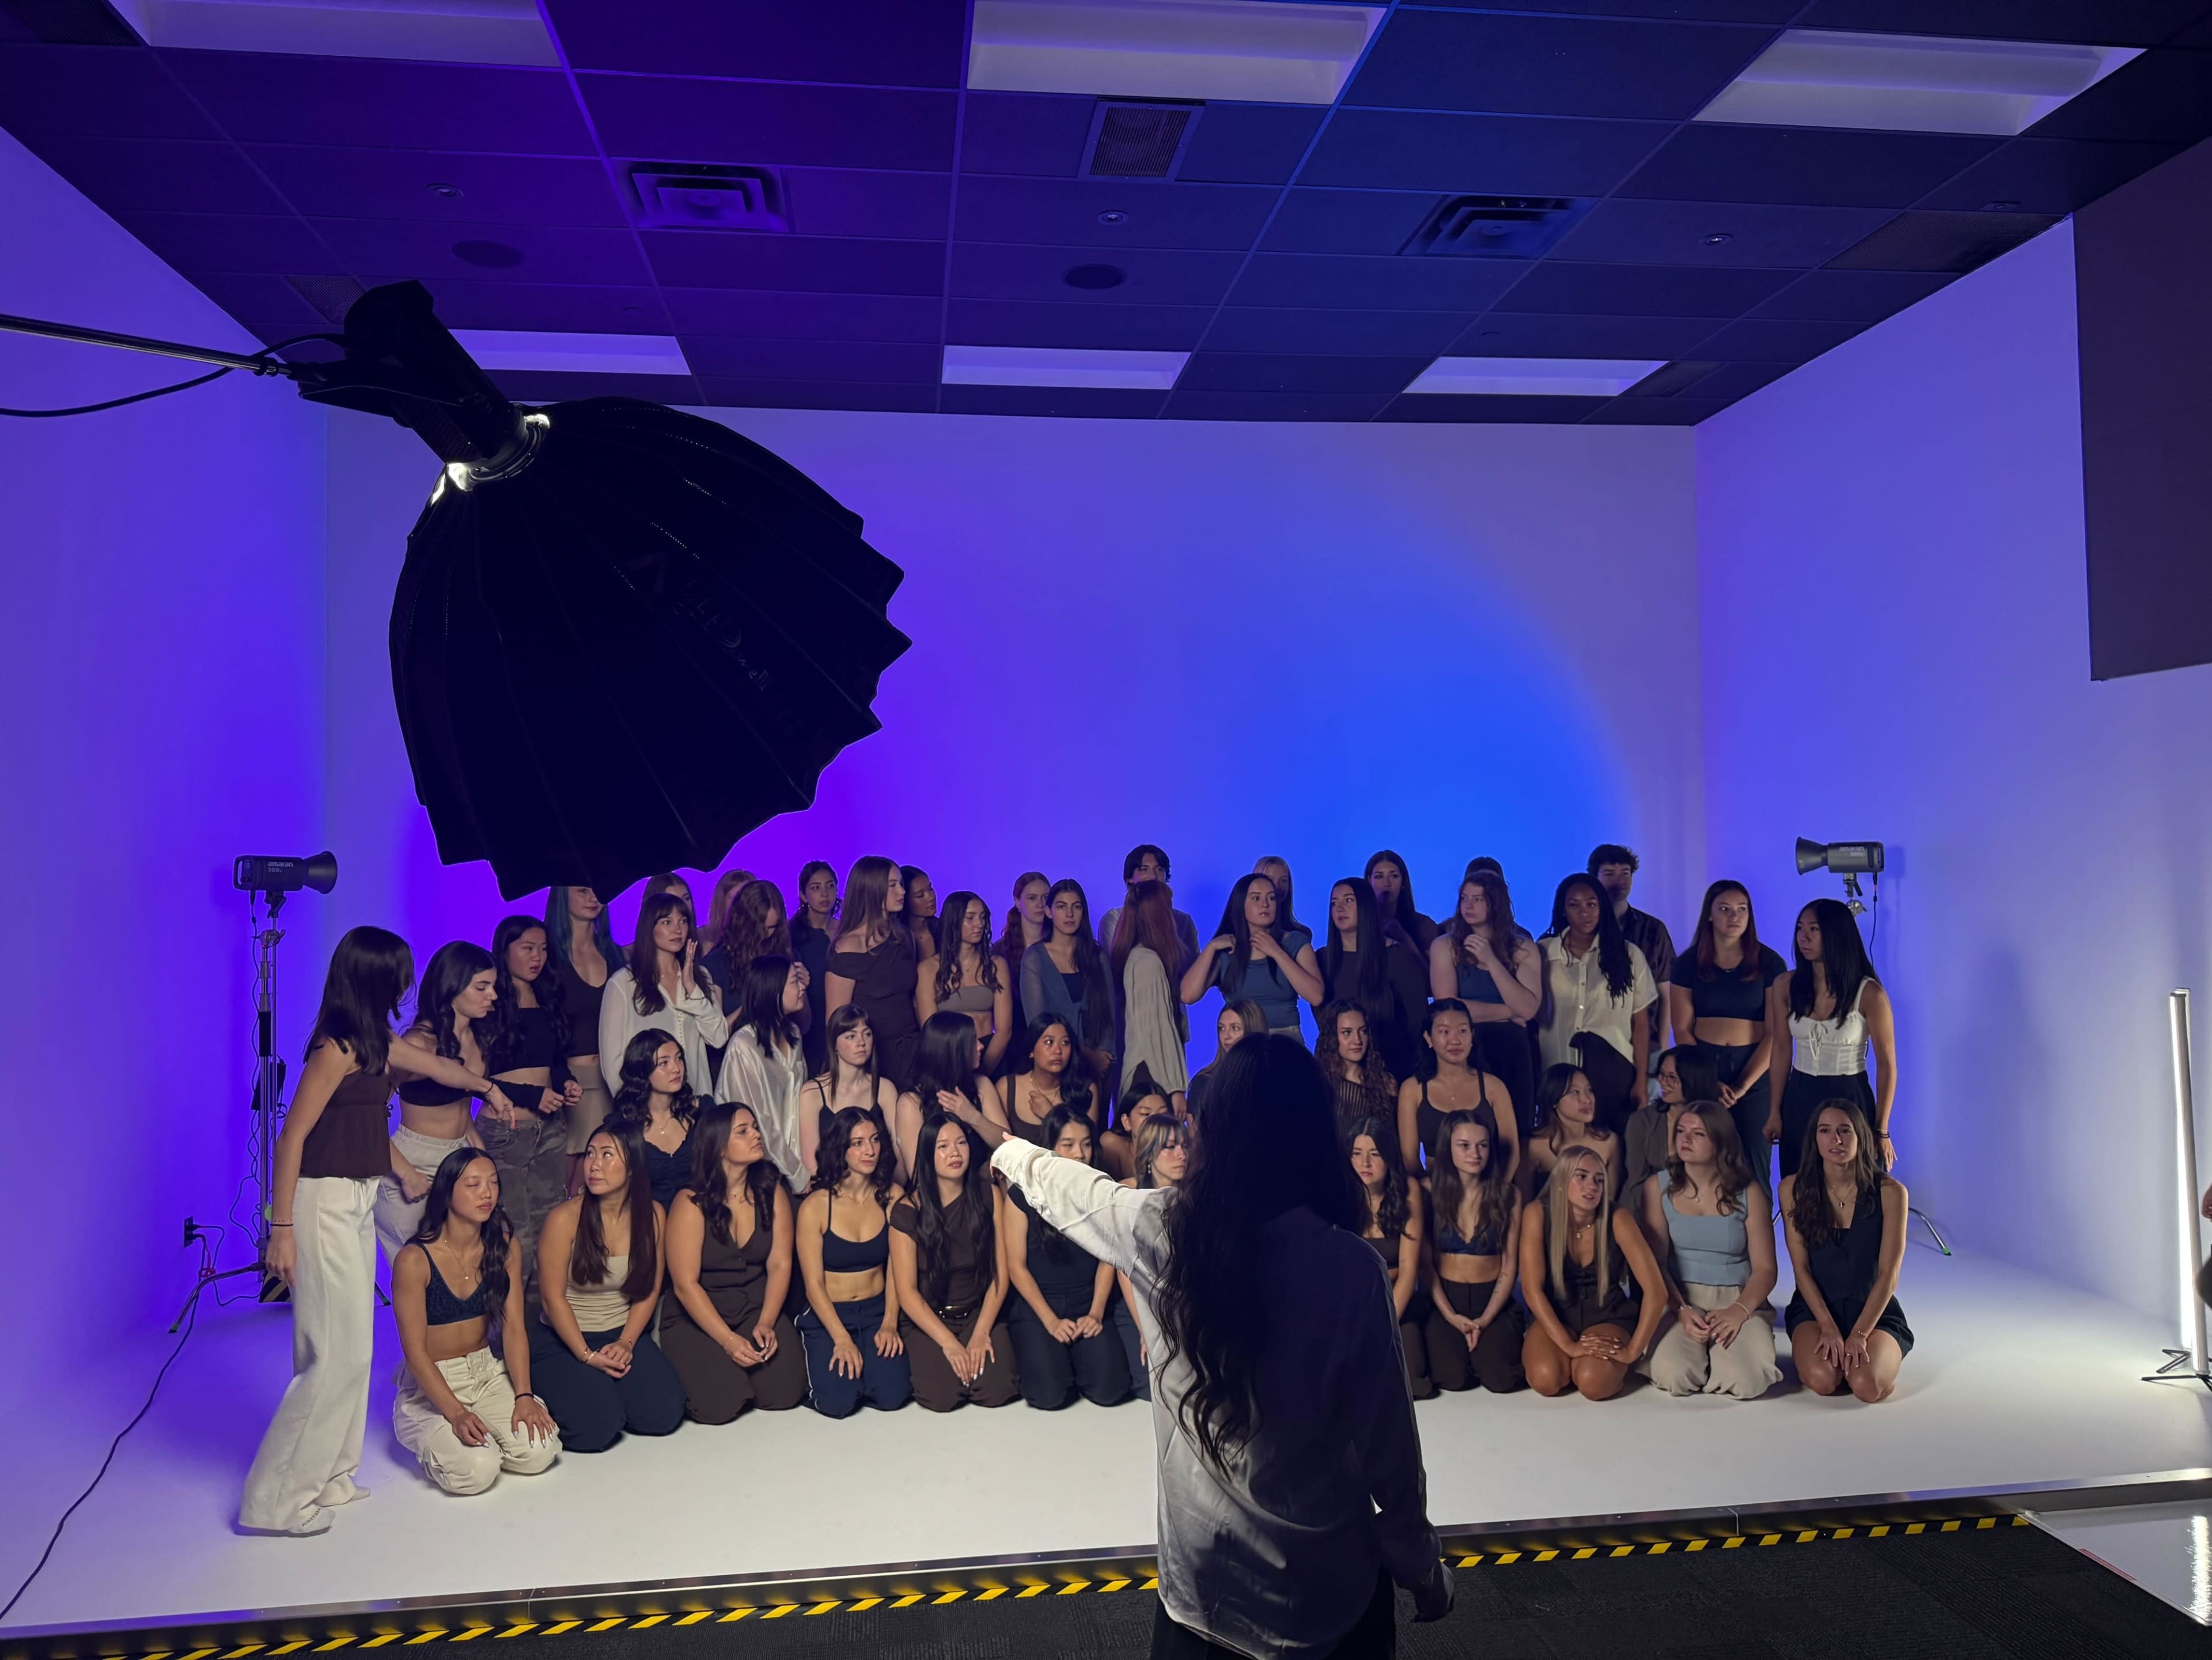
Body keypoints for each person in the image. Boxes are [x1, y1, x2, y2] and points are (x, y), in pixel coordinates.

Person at [936, 1037, 1454, 1656]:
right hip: (1327, 1602)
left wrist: (1000, 1140)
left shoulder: (1158, 1228)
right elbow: (1390, 1453)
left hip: (1204, 1605)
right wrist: (1422, 1571)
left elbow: (1065, 1184)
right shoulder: (1352, 1269)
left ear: (1215, 1133)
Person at [240, 927, 509, 1536]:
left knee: (355, 1346)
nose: (408, 982)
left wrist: (488, 1086)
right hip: (320, 1200)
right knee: (327, 1355)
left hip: (358, 1197)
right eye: (399, 972)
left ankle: (331, 1473)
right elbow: (292, 1138)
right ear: (372, 975)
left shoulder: (375, 1042)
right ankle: (275, 1502)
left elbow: (439, 1066)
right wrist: (279, 1228)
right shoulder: (335, 1047)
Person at [389, 1148, 560, 1493]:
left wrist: (524, 1395)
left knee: (541, 1451)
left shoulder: (503, 1246)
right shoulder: (414, 1259)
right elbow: (415, 1353)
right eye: (473, 1185)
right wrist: (455, 1413)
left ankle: (490, 1438)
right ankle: (437, 1439)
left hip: (486, 1373)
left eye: (493, 1184)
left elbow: (514, 1327)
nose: (487, 1193)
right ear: (447, 1193)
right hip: (432, 1386)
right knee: (477, 1472)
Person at [531, 1124, 686, 1451]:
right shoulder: (564, 1218)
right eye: (590, 1154)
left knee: (664, 1414)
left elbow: (649, 1290)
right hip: (566, 1337)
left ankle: (601, 1392)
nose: (594, 1165)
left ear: (632, 1167)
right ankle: (559, 1389)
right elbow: (552, 1299)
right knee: (597, 1430)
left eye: (607, 1155)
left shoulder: (654, 1216)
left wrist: (627, 1342)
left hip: (619, 1333)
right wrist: (586, 1356)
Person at [660, 1102, 808, 1424]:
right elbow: (686, 1285)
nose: (756, 1135)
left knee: (785, 1393)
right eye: (743, 1131)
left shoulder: (771, 1189)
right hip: (698, 1317)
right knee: (720, 1405)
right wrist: (727, 1341)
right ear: (719, 1147)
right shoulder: (690, 1202)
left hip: (754, 1309)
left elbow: (781, 1265)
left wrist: (767, 1321)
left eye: (754, 1127)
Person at [377, 941, 510, 1265]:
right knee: (420, 1278)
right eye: (482, 987)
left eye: (493, 986)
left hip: (459, 1160)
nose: (492, 995)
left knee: (468, 1269)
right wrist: (406, 1173)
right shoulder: (419, 1043)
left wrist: (481, 1158)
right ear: (452, 987)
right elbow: (368, 1117)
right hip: (414, 1162)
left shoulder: (478, 1039)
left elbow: (462, 1111)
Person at [1640, 1103, 1780, 1400]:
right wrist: (1680, 1310)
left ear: (1721, 1142)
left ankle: (1725, 1356)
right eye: (1681, 1131)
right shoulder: (1657, 1188)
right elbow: (1656, 1264)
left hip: (1738, 1298)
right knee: (1676, 1375)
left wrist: (1738, 1312)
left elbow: (1766, 1270)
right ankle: (1697, 1353)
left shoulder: (1750, 1192)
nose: (1685, 1139)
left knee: (1747, 1380)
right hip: (1679, 1298)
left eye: (1698, 1133)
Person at [1781, 1098, 1912, 1402]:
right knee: (1824, 1381)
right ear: (1815, 1138)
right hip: (1816, 1311)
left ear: (1861, 1137)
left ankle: (1880, 1366)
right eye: (1825, 1131)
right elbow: (1801, 1270)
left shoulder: (1891, 1193)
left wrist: (1861, 1334)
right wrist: (1827, 1327)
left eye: (1845, 1131)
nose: (1835, 1140)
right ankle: (1837, 1357)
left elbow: (1888, 1276)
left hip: (1873, 1312)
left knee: (1865, 1387)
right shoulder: (1793, 1189)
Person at [1005, 1104, 1132, 1409]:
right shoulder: (1022, 1195)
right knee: (1049, 1396)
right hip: (1040, 1305)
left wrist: (1096, 1313)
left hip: (1088, 1299)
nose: (1080, 1154)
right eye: (1069, 1145)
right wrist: (1050, 1321)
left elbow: (1108, 1257)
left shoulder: (1103, 1190)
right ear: (1050, 1148)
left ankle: (1078, 1358)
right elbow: (1016, 1266)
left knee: (1110, 1391)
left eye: (1086, 1144)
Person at [480, 915, 580, 1296]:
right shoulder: (490, 1004)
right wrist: (532, 1096)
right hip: (508, 1130)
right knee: (512, 1230)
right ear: (504, 951)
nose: (537, 957)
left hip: (550, 1128)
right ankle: (506, 1332)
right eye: (527, 948)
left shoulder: (549, 998)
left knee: (551, 1226)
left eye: (542, 949)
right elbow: (479, 1080)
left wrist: (565, 1082)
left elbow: (555, 1059)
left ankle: (543, 1329)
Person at [889, 1114, 1017, 1411]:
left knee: (995, 1391)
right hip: (930, 1317)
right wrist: (949, 1343)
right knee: (943, 1397)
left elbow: (1000, 1273)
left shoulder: (989, 1195)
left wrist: (982, 1331)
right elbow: (907, 1293)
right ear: (927, 1155)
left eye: (961, 1143)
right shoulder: (907, 1210)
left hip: (978, 1311)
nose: (955, 1153)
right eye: (944, 1147)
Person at [1518, 1145, 1666, 1401]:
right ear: (1562, 1180)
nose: (1593, 1186)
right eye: (1582, 1176)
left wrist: (1633, 1352)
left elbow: (1657, 1292)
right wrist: (1568, 1346)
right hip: (1557, 1314)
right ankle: (1566, 1359)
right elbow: (1532, 1290)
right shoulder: (1537, 1213)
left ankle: (1592, 1368)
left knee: (1593, 1384)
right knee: (1546, 1380)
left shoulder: (1618, 1217)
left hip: (1608, 1315)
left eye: (1599, 1180)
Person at [1669, 880, 1790, 1187]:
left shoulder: (1770, 963)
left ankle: (1758, 1234)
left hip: (1755, 1068)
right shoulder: (1687, 963)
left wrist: (1742, 1086)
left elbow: (1776, 1034)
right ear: (1709, 915)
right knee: (1705, 1158)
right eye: (1724, 909)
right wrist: (1709, 1079)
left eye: (1742, 910)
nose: (1734, 916)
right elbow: (1682, 1029)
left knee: (1754, 1162)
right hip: (1704, 1065)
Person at [794, 1106, 912, 1417]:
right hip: (831, 1314)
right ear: (840, 1149)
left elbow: (898, 1272)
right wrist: (842, 1339)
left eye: (874, 1140)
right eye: (858, 1143)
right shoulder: (815, 1207)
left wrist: (889, 1324)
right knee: (838, 1403)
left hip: (877, 1311)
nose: (870, 1150)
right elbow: (813, 1285)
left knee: (892, 1396)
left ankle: (869, 1366)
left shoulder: (893, 1196)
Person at [1768, 899, 1897, 1183]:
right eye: (1800, 928)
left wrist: (1882, 1129)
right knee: (1799, 1184)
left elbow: (1887, 1065)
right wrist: (1775, 1111)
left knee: (1851, 1186)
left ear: (1836, 934)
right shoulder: (1784, 986)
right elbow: (1780, 1050)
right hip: (1800, 1092)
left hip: (1849, 1092)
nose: (1804, 937)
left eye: (1814, 929)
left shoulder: (1869, 993)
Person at [1536, 872, 1657, 1136]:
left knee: (1614, 1148)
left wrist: (1640, 1081)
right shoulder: (1543, 953)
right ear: (1563, 910)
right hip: (1557, 1071)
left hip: (1615, 1072)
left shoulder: (1628, 955)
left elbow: (1641, 1024)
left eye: (1591, 904)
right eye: (1575, 905)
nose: (1585, 913)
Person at [1428, 870, 1542, 1134]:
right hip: (1465, 1048)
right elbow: (1449, 1009)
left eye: (1478, 899)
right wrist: (1509, 1012)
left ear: (1496, 903)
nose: (1468, 906)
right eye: (1464, 898)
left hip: (1512, 1051)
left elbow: (1529, 1008)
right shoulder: (1444, 947)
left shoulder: (1524, 949)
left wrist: (1491, 961)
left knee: (1515, 1131)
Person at [1422, 1108, 1526, 1394]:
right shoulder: (1428, 1191)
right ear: (1448, 1147)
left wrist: (1485, 1319)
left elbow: (1509, 1267)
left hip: (1491, 1298)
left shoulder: (1508, 1195)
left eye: (1482, 1145)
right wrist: (1451, 1316)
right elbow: (1426, 1266)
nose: (1475, 1154)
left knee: (1499, 1380)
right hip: (1445, 1298)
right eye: (1464, 1146)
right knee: (1452, 1379)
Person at [600, 891, 728, 1100]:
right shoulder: (624, 983)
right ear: (649, 928)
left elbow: (719, 1038)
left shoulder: (700, 976)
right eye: (667, 922)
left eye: (683, 921)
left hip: (695, 1102)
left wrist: (692, 990)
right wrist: (633, 1109)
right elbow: (612, 1061)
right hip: (647, 1109)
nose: (678, 929)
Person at [1350, 1117, 1434, 1400]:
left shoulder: (1407, 1190)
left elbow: (1410, 1271)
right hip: (1354, 1300)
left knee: (1412, 1382)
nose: (1366, 1164)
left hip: (1396, 1297)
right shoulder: (1342, 1192)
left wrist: (1384, 1326)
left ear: (1388, 1158)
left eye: (1375, 1155)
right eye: (1357, 1154)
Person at [824, 856, 924, 1092]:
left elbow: (913, 999)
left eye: (901, 884)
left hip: (912, 1051)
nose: (901, 891)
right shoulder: (847, 948)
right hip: (871, 1056)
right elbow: (835, 1020)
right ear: (871, 890)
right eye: (893, 885)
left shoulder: (903, 936)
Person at [1183, 872, 1324, 1038]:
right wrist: (1211, 948)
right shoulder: (1227, 949)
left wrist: (1277, 952)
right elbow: (1188, 996)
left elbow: (1316, 996)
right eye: (1256, 899)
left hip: (1286, 1039)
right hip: (1240, 1041)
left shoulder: (1296, 941)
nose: (1265, 904)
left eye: (1271, 898)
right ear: (1241, 904)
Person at [1112, 1111, 1191, 1402]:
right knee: (1154, 1389)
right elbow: (1125, 1271)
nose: (1181, 1154)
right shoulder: (1130, 1196)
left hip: (1182, 1303)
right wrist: (1146, 1328)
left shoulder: (1194, 1197)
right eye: (1169, 1147)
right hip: (1141, 1301)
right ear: (1149, 1155)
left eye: (1184, 1145)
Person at [1320, 878, 1431, 1084]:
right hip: (1338, 1074)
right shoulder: (1323, 960)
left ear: (1366, 907)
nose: (1340, 908)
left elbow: (1417, 1020)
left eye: (1349, 901)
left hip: (1392, 1069)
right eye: (1334, 903)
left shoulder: (1396, 956)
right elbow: (1323, 1020)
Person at [716, 954, 811, 1193]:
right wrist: (799, 1175)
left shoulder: (794, 1035)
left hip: (796, 1165)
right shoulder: (744, 1046)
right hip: (757, 1175)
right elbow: (759, 1121)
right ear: (773, 991)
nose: (802, 988)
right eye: (794, 983)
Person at [1396, 999, 1518, 1182]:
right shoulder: (1412, 1089)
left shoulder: (1494, 1087)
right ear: (1429, 1038)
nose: (1455, 1040)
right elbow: (1410, 1160)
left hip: (1487, 1189)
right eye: (1445, 1032)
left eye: (1462, 1031)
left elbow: (1512, 1151)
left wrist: (1496, 1193)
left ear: (1472, 1036)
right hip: (1433, 1189)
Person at [545, 884, 620, 1169]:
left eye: (596, 890)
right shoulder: (547, 956)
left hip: (611, 1080)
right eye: (582, 891)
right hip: (569, 1084)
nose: (593, 898)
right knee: (570, 1177)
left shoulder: (614, 954)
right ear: (563, 896)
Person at [894, 1010, 1012, 1182]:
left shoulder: (982, 1085)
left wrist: (973, 1117)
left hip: (986, 1190)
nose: (981, 1046)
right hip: (940, 1200)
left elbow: (1009, 1145)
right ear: (953, 1051)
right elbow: (917, 1175)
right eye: (972, 1042)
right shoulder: (911, 1102)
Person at [1021, 878, 1119, 1083]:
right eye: (1061, 907)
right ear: (1049, 912)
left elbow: (1109, 1012)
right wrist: (1085, 1055)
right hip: (1055, 1065)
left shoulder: (1097, 956)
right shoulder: (1035, 958)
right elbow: (1037, 1022)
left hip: (1100, 1066)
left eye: (1076, 907)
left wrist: (1104, 1057)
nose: (1069, 914)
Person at [702, 878, 802, 1061]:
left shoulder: (787, 958)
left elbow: (804, 1025)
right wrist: (753, 1004)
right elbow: (715, 1038)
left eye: (772, 928)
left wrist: (801, 989)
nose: (765, 934)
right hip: (736, 1064)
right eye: (759, 927)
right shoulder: (716, 964)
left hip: (781, 1061)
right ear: (742, 922)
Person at [1589, 844, 1675, 1057]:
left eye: (1625, 874)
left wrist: (1662, 1048)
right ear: (1594, 878)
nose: (1619, 881)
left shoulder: (1654, 929)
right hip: (1596, 1043)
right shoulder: (1582, 928)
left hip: (1647, 1045)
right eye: (1609, 874)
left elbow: (1666, 994)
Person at [1110, 878, 1190, 1102]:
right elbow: (1156, 1030)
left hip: (1146, 1071)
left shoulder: (1138, 958)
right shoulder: (1148, 962)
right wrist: (1175, 1087)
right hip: (1151, 1075)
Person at [918, 889, 1014, 1074]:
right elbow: (930, 1030)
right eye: (970, 918)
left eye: (982, 917)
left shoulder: (997, 966)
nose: (979, 924)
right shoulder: (928, 969)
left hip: (990, 1053)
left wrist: (984, 1072)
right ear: (954, 922)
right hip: (947, 1058)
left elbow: (1004, 1031)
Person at [800, 1005, 900, 1178]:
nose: (861, 1042)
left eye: (867, 1034)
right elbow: (812, 1164)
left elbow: (899, 1152)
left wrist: (892, 1190)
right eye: (851, 1036)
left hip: (879, 1188)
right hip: (831, 1191)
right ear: (835, 1045)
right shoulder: (812, 1092)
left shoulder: (885, 1089)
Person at [605, 1030, 699, 1209]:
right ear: (643, 1072)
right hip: (647, 1224)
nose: (676, 1068)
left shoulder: (700, 1112)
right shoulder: (622, 1126)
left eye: (679, 1059)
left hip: (698, 1219)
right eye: (664, 1063)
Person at [1622, 1045, 1722, 1208]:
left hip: (1700, 1208)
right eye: (1661, 1075)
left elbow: (1727, 1173)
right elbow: (1636, 1182)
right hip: (1646, 1209)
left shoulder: (1717, 1121)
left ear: (1694, 1080)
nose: (1663, 1082)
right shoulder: (1642, 1121)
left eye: (1672, 1077)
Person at [1096, 844, 1202, 975]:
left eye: (1159, 870)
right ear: (1130, 879)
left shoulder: (1184, 922)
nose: (1153, 876)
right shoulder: (1114, 919)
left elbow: (1193, 972)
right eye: (1144, 870)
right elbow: (1111, 973)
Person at [1521, 1063, 1622, 1201]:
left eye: (1589, 1090)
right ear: (1554, 1100)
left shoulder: (1608, 1142)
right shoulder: (1533, 1146)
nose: (1586, 1100)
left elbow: (1610, 1201)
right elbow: (1525, 1202)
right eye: (1575, 1092)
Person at [1000, 1012, 1084, 1149]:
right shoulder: (1007, 1087)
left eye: (1065, 1043)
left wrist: (1050, 1115)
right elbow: (1000, 1146)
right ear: (1031, 1050)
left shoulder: (1085, 1090)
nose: (1058, 1051)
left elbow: (1085, 1152)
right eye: (1049, 1042)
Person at [1319, 1001, 1397, 1146]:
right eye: (1347, 1033)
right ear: (1333, 1037)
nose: (1357, 1040)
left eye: (1363, 1031)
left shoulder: (1385, 1084)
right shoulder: (1318, 1083)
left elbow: (1391, 1146)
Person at [791, 861, 839, 1075]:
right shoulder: (793, 935)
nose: (825, 894)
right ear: (803, 895)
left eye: (830, 886)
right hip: (810, 1021)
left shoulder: (847, 929)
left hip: (844, 1016)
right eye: (816, 888)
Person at [995, 870, 1051, 1051]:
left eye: (1046, 898)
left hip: (1057, 1037)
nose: (1041, 904)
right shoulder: (1000, 951)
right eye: (1032, 898)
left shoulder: (1063, 945)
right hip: (1014, 1042)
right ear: (1017, 902)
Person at [1187, 999, 1268, 1118]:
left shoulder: (1272, 1079)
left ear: (1253, 1030)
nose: (1226, 1036)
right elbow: (1195, 1134)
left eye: (1235, 1028)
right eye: (1222, 1028)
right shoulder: (1205, 1082)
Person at [1099, 1066, 1172, 1183]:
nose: (1155, 1120)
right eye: (1146, 1114)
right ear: (1126, 1122)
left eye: (1163, 1114)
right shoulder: (1112, 1144)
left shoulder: (1178, 1146)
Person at [1366, 849, 1438, 955]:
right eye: (1379, 877)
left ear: (1403, 881)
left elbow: (1430, 970)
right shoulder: (1358, 925)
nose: (1386, 883)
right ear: (1369, 881)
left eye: (1394, 876)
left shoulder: (1424, 926)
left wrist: (1404, 938)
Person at [702, 869, 755, 956]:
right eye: (735, 897)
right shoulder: (702, 939)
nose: (741, 903)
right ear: (722, 901)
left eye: (747, 897)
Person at [900, 864, 941, 961]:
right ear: (904, 900)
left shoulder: (943, 929)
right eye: (920, 895)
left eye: (931, 889)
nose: (931, 897)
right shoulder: (897, 939)